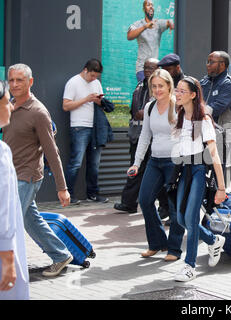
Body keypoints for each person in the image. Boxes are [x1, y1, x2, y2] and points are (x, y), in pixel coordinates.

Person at [4, 64, 73, 278]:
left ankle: (7, 269)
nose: (14, 84)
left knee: (8, 223)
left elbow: (52, 152)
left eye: (20, 80)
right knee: (30, 220)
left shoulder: (38, 112)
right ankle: (61, 255)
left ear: (30, 82)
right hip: (10, 173)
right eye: (12, 80)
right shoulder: (9, 105)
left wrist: (62, 188)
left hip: (27, 176)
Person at [172, 76, 227, 282]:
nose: (177, 94)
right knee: (180, 218)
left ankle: (189, 265)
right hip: (183, 170)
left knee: (191, 219)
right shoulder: (179, 115)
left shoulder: (203, 120)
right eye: (176, 90)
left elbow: (214, 155)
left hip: (197, 170)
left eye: (181, 91)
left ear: (193, 95)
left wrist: (221, 188)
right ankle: (213, 241)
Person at [127, 69, 184, 262]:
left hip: (175, 163)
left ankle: (174, 249)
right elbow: (145, 137)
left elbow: (191, 134)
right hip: (155, 161)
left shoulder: (178, 106)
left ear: (169, 86)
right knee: (145, 200)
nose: (157, 89)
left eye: (161, 86)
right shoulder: (150, 107)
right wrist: (137, 163)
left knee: (175, 207)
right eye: (154, 86)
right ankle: (157, 243)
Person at [114, 58, 169, 215]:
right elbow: (137, 116)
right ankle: (129, 202)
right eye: (145, 68)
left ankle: (166, 209)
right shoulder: (140, 87)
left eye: (150, 68)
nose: (146, 71)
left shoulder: (167, 98)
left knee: (162, 181)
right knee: (137, 171)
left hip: (162, 148)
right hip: (139, 136)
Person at [63, 59, 109, 204]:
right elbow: (66, 106)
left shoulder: (96, 83)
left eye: (96, 76)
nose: (94, 79)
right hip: (79, 127)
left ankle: (93, 194)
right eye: (92, 76)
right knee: (76, 162)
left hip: (95, 127)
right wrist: (86, 99)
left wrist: (98, 101)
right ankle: (68, 194)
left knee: (94, 164)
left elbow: (101, 104)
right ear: (85, 70)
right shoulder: (73, 82)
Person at [0, 80, 29, 299]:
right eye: (6, 100)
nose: (11, 106)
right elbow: (4, 208)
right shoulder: (2, 152)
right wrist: (8, 257)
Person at [127, 0, 175, 82]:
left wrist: (170, 23)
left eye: (152, 5)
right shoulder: (138, 24)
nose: (151, 7)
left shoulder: (158, 24)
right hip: (142, 68)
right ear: (143, 9)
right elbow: (129, 36)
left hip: (155, 68)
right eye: (148, 5)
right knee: (145, 91)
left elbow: (169, 22)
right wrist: (145, 26)